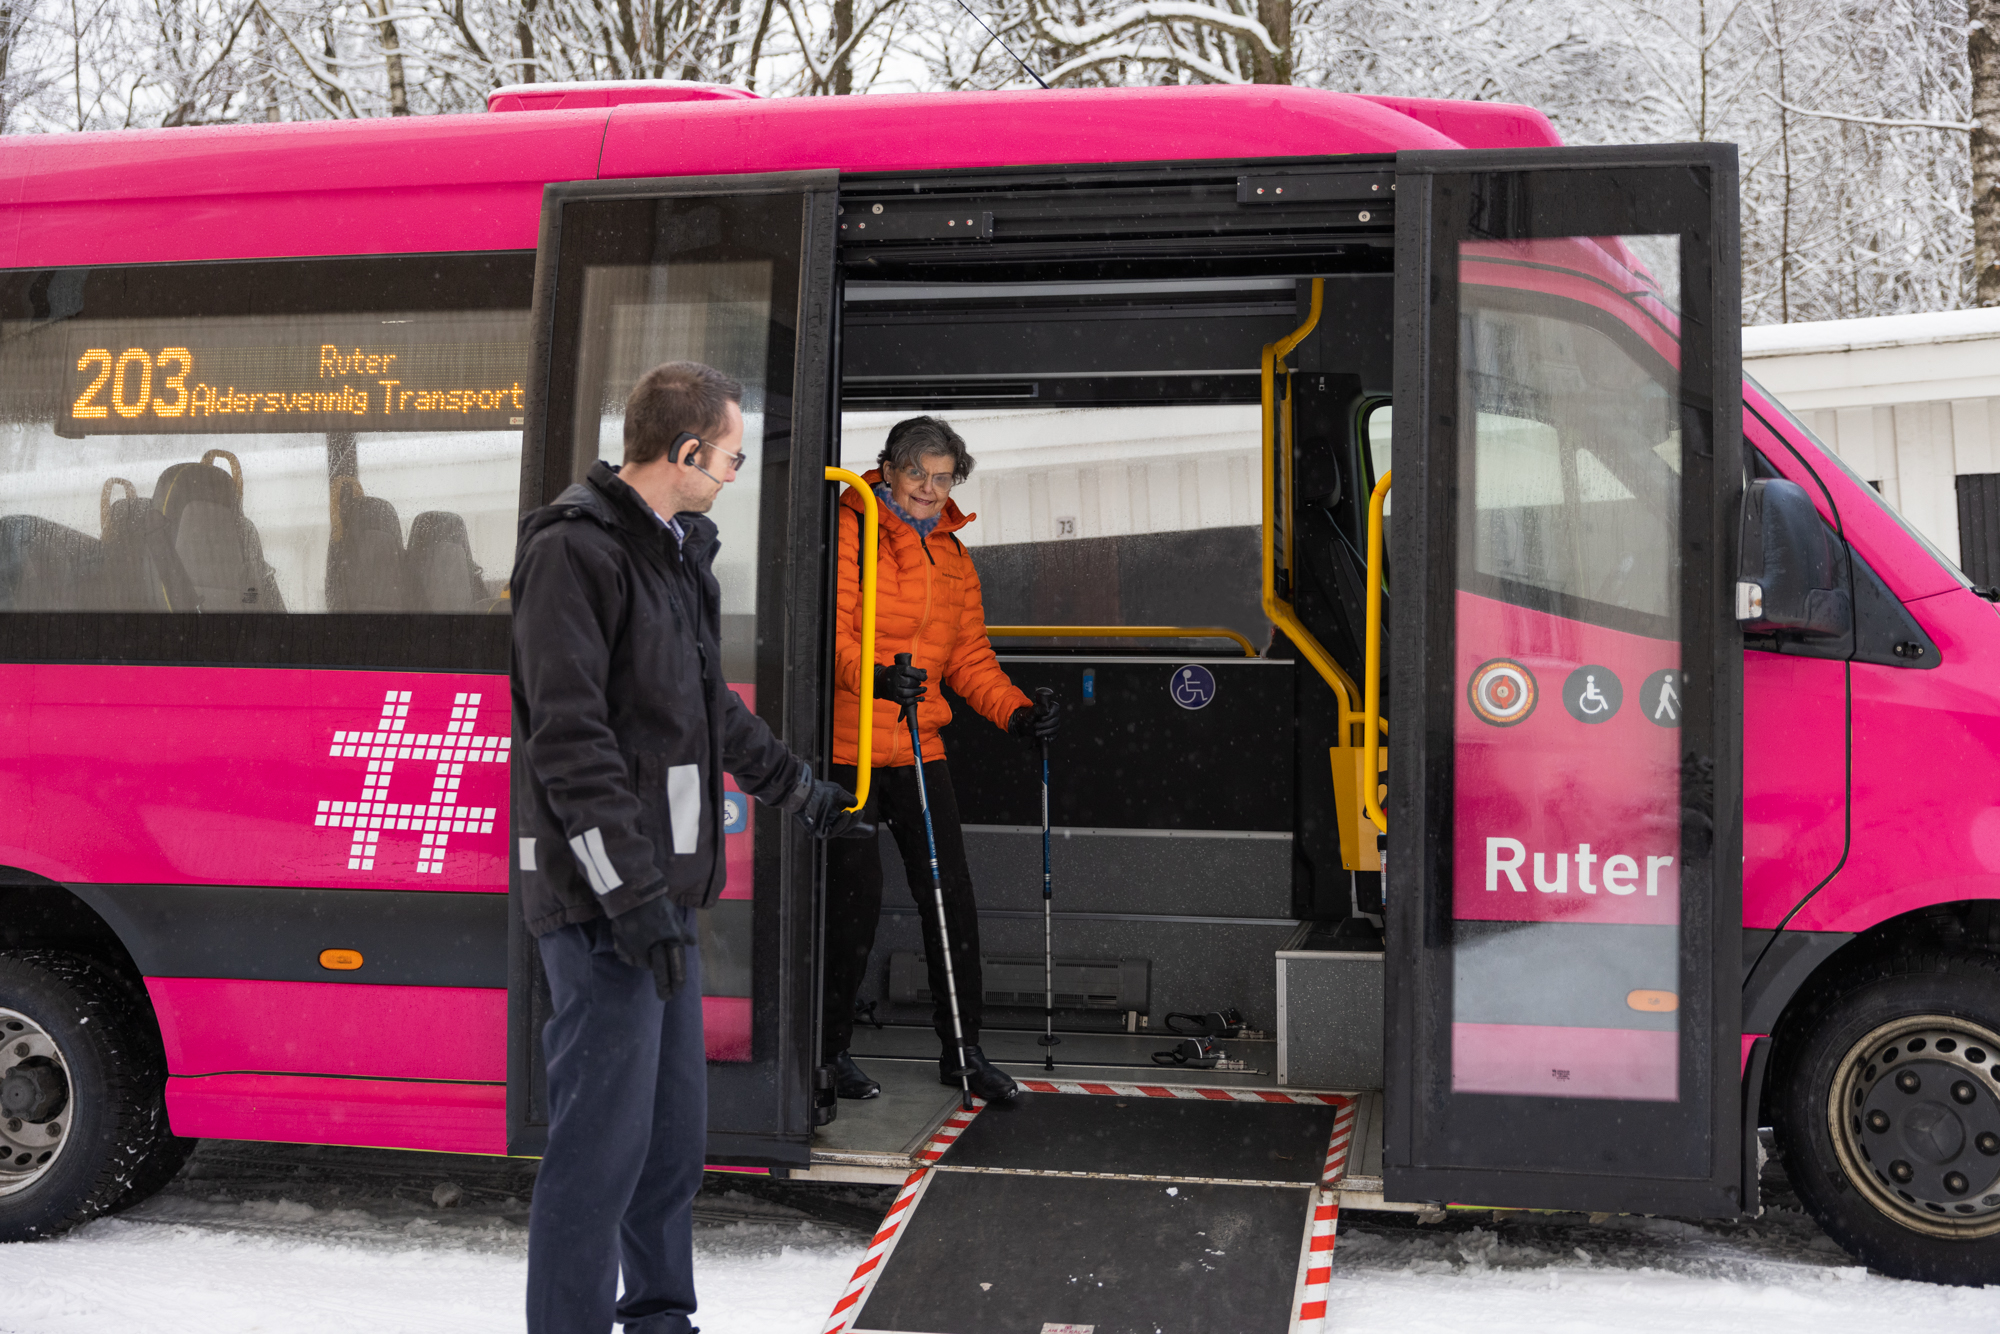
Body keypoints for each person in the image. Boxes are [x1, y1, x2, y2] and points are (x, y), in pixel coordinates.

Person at [510, 361, 859, 1334]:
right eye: (733, 455)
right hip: (600, 907)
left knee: (669, 1143)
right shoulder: (573, 554)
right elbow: (569, 745)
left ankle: (661, 1316)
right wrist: (630, 901)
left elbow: (705, 710)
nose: (734, 473)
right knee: (598, 1152)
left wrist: (795, 786)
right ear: (687, 449)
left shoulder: (669, 553)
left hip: (658, 902)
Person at [822, 415, 1062, 1105]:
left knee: (949, 899)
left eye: (943, 476)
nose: (930, 489)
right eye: (917, 474)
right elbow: (832, 631)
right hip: (851, 750)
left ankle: (963, 1053)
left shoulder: (953, 554)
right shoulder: (851, 528)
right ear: (889, 471)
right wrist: (869, 678)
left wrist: (1016, 711)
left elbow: (968, 658)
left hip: (919, 747)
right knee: (852, 902)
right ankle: (828, 1052)